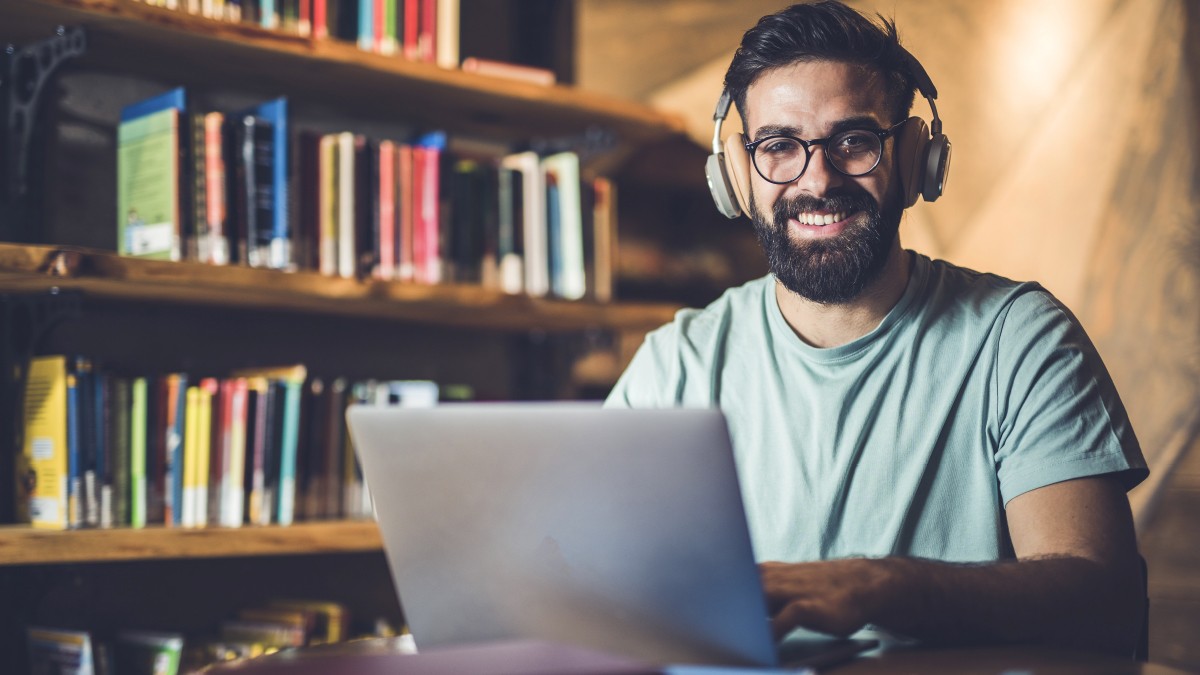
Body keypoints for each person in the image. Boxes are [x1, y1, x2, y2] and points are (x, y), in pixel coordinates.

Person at [605, 0, 1148, 657]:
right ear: (738, 177)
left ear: (917, 156)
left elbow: (1104, 601)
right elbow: (593, 582)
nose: (818, 178)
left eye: (854, 141)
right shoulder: (677, 364)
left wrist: (882, 586)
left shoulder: (1022, 340)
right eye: (779, 146)